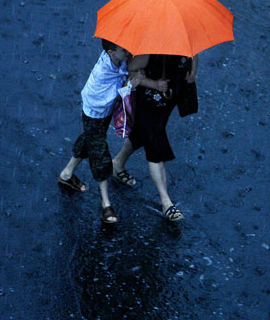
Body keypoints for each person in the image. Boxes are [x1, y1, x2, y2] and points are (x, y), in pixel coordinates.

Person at [58, 39, 143, 224]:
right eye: (123, 49)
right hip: (96, 111)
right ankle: (106, 204)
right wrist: (130, 86)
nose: (127, 51)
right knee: (100, 154)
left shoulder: (115, 60)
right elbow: (112, 96)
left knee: (90, 139)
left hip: (100, 112)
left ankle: (66, 174)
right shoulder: (106, 70)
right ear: (112, 52)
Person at [113, 53, 198, 222]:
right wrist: (154, 84)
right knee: (155, 143)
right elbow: (131, 70)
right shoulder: (151, 50)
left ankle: (117, 163)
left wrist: (193, 71)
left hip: (170, 97)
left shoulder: (182, 39)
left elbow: (194, 54)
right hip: (151, 100)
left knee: (141, 133)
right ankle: (166, 202)